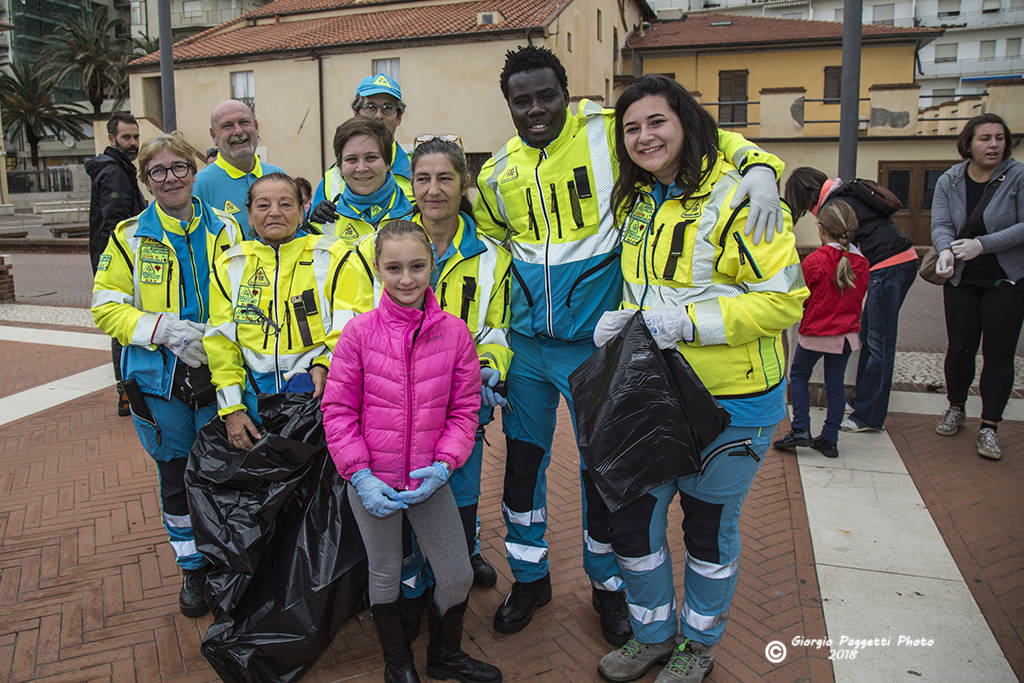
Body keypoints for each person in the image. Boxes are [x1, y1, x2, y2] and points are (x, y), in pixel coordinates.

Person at [473, 45, 785, 644]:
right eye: (522, 100)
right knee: (522, 471)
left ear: (569, 92)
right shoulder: (496, 173)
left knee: (606, 475)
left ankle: (607, 585)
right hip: (526, 349)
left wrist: (763, 168)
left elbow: (701, 137)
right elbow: (484, 242)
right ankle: (530, 577)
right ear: (509, 105)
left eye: (547, 95)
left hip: (600, 348)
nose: (536, 109)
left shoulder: (613, 132)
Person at [590, 74, 807, 683]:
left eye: (656, 121)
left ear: (686, 121)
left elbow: (784, 303)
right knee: (633, 525)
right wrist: (629, 320)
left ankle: (698, 645)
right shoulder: (635, 199)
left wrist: (684, 323)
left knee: (708, 532)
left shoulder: (743, 198)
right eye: (631, 127)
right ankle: (652, 636)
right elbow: (650, 287)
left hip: (733, 403)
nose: (643, 136)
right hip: (652, 395)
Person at [335, 136, 511, 634]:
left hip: (457, 406)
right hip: (388, 423)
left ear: (463, 183)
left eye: (446, 178)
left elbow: (497, 327)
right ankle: (408, 598)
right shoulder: (383, 246)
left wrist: (487, 369)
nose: (434, 189)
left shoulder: (491, 256)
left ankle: (459, 562)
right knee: (392, 544)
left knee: (460, 499)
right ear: (409, 184)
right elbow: (357, 333)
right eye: (422, 178)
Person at [322, 220, 502, 683]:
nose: (406, 279)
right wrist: (360, 475)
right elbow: (338, 412)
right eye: (394, 268)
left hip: (429, 478)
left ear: (432, 267)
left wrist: (444, 465)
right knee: (384, 574)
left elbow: (464, 411)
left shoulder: (457, 334)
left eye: (417, 266)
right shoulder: (358, 335)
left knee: (457, 574)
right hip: (373, 482)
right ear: (378, 270)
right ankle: (397, 661)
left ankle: (445, 656)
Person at [91, 132, 243, 617]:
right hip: (162, 380)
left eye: (179, 167)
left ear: (195, 170)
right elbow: (105, 308)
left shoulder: (227, 229)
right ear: (146, 180)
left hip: (219, 375)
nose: (171, 178)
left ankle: (225, 563)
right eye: (158, 171)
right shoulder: (129, 236)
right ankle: (192, 570)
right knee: (176, 479)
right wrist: (162, 329)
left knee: (223, 476)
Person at [204, 172, 351, 449]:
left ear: (301, 212)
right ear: (249, 215)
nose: (274, 212)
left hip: (316, 400)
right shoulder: (230, 265)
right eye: (263, 205)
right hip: (253, 407)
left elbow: (350, 325)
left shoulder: (333, 257)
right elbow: (220, 344)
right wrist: (232, 409)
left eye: (285, 204)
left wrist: (325, 364)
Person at [784, 167, 918, 434]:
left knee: (879, 345)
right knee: (871, 341)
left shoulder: (836, 203)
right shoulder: (842, 194)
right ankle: (862, 406)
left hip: (889, 265)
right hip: (896, 263)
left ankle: (868, 415)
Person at [931, 113, 1024, 460]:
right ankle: (956, 406)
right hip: (962, 278)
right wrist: (943, 249)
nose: (994, 145)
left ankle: (990, 426)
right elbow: (941, 223)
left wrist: (982, 245)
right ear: (968, 143)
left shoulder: (1017, 177)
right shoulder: (950, 180)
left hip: (1006, 278)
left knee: (999, 353)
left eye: (1000, 138)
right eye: (986, 138)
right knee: (960, 348)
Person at [773, 201, 869, 459]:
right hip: (846, 335)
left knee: (799, 376)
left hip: (816, 332)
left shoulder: (815, 260)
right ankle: (830, 437)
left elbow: (797, 294)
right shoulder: (862, 262)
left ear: (822, 229)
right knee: (835, 385)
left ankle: (801, 427)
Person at [85, 112, 148, 417]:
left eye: (136, 136)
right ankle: (127, 393)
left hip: (112, 259)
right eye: (126, 137)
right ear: (112, 139)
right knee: (122, 328)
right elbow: (117, 223)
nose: (133, 142)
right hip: (119, 263)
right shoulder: (114, 172)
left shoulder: (119, 168)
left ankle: (127, 390)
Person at [310, 73, 413, 226]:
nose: (378, 115)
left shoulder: (417, 169)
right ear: (356, 114)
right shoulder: (331, 179)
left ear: (399, 118)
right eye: (370, 107)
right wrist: (313, 217)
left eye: (387, 108)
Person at [194, 99, 285, 238]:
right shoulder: (199, 186)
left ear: (256, 125)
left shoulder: (279, 176)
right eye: (227, 126)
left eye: (244, 122)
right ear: (214, 135)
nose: (238, 131)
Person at [321, 117, 413, 245]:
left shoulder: (417, 214)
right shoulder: (322, 224)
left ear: (388, 162)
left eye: (371, 158)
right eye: (351, 159)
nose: (361, 168)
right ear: (340, 167)